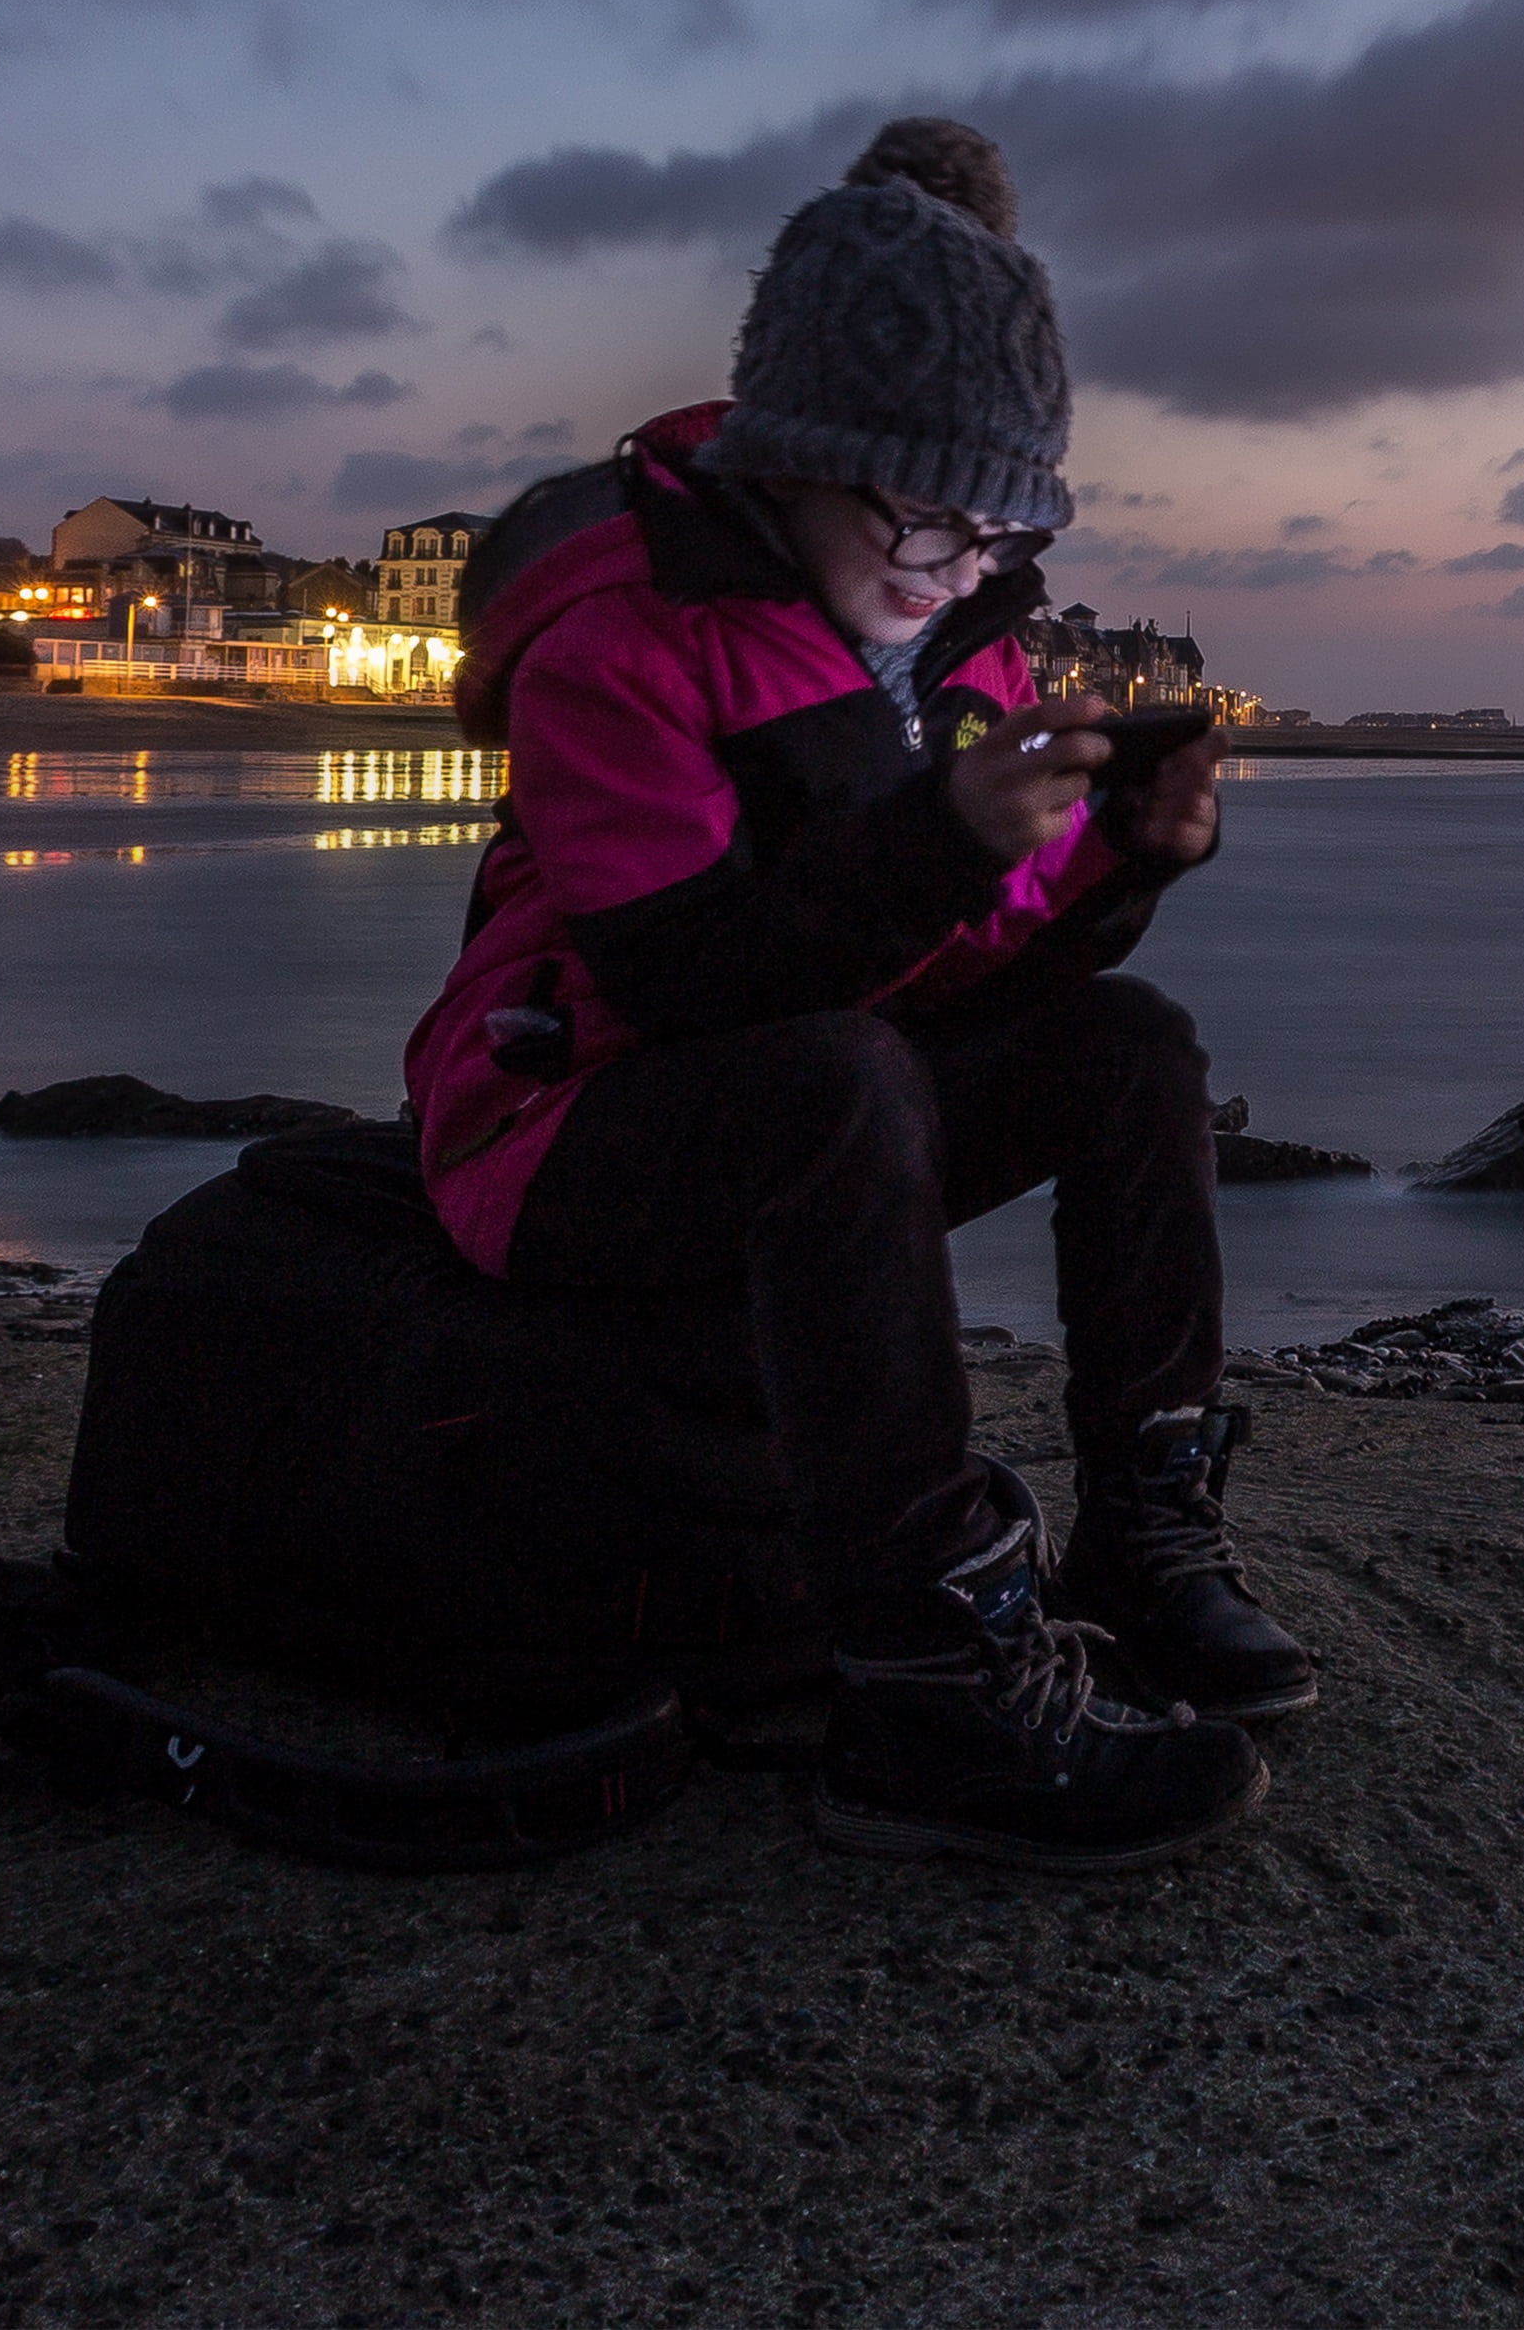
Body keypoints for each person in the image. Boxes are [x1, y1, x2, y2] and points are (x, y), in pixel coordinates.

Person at [403, 118, 1308, 1872]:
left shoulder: (961, 638)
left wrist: (1116, 865)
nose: (952, 559)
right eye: (918, 506)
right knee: (839, 1080)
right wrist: (936, 844)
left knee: (1131, 1046)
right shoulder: (622, 637)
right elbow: (678, 979)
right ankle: (924, 1678)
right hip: (556, 1121)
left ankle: (1145, 1529)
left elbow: (963, 961)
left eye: (996, 522)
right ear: (799, 457)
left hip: (807, 1096)